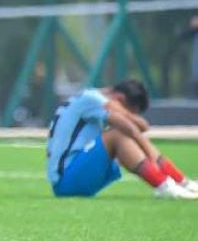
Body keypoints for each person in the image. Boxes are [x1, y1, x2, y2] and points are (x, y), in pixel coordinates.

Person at [46, 78, 198, 199]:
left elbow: (141, 126)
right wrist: (151, 155)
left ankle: (180, 182)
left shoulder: (89, 97)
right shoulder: (92, 99)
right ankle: (164, 185)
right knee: (117, 134)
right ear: (119, 98)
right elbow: (134, 127)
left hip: (71, 176)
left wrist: (124, 113)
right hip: (66, 181)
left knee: (122, 133)